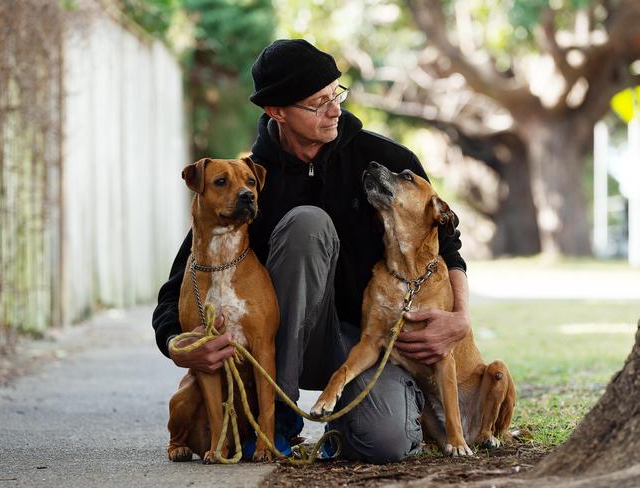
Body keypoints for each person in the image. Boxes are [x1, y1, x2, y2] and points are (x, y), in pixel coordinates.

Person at [152, 39, 471, 464]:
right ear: (277, 112)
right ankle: (281, 416)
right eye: (316, 103)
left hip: (365, 342)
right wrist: (176, 343)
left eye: (335, 95)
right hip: (281, 343)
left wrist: (459, 318)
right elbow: (184, 278)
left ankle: (352, 413)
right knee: (308, 223)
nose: (334, 109)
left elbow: (447, 245)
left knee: (384, 442)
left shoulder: (384, 159)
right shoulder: (247, 183)